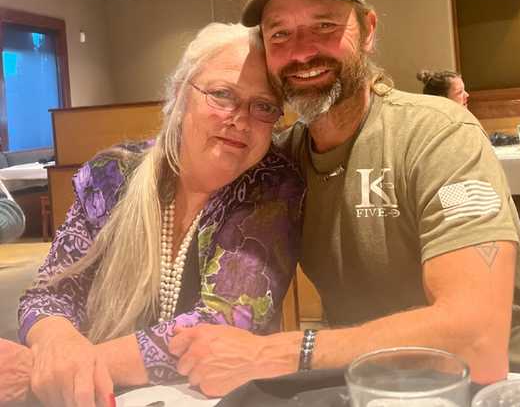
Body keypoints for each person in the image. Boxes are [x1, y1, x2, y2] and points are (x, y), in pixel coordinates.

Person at [169, 0, 520, 396]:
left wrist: (278, 353)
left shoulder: (438, 134)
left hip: (502, 387)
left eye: (325, 26)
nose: (301, 52)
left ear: (368, 30)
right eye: (279, 35)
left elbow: (477, 340)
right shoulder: (280, 162)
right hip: (368, 388)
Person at [11, 23, 304, 407]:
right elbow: (50, 292)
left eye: (263, 106)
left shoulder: (273, 185)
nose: (241, 119)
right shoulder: (111, 175)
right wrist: (55, 342)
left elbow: (220, 325)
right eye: (221, 95)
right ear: (182, 97)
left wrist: (54, 369)